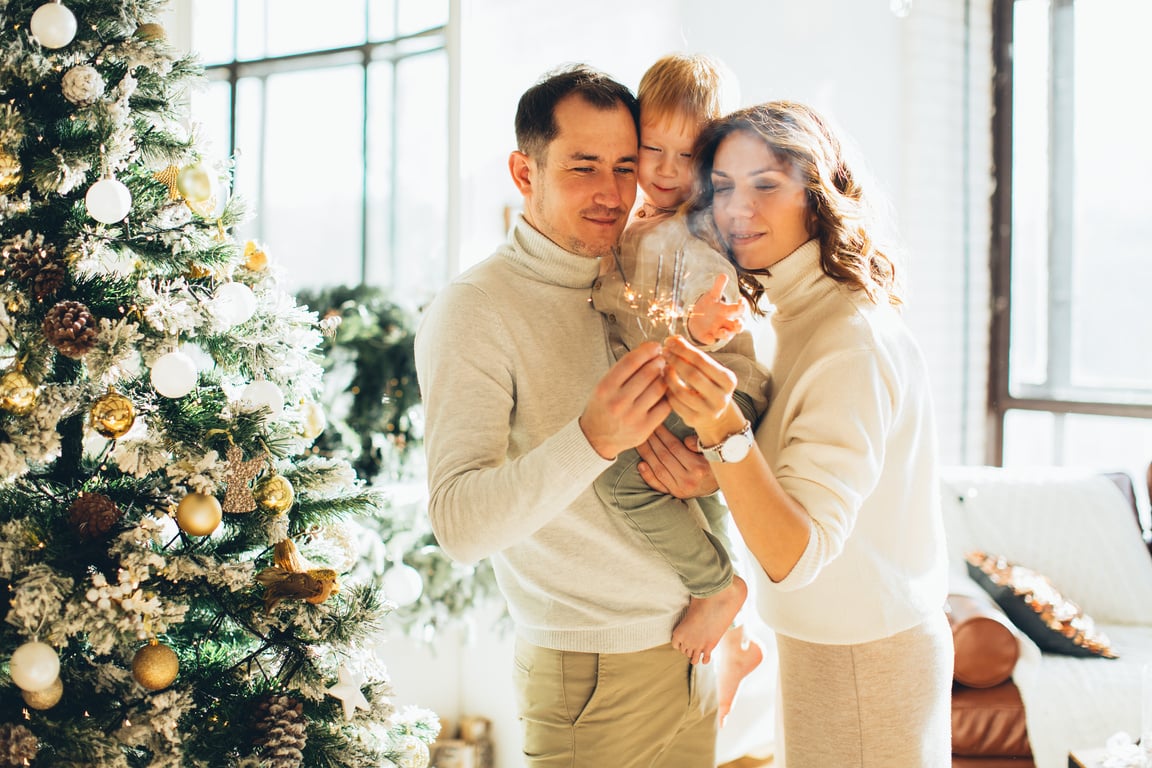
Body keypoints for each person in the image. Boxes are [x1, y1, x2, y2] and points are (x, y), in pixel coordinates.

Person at [414, 64, 718, 768]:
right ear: (525, 173)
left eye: (624, 165)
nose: (613, 193)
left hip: (695, 654)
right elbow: (459, 526)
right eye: (584, 167)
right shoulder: (474, 310)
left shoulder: (646, 273)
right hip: (593, 680)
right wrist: (592, 440)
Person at [647, 101, 953, 767]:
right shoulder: (794, 317)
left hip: (864, 658)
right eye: (723, 187)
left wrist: (721, 429)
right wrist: (722, 464)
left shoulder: (849, 342)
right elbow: (795, 484)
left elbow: (796, 553)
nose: (737, 210)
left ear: (818, 193)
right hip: (831, 643)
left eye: (766, 185)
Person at [590, 52, 766, 724]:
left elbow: (712, 303)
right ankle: (739, 637)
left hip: (720, 386)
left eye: (684, 155)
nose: (663, 169)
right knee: (689, 484)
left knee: (622, 479)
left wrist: (703, 322)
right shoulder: (645, 225)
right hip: (692, 390)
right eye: (650, 148)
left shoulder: (697, 233)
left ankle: (716, 587)